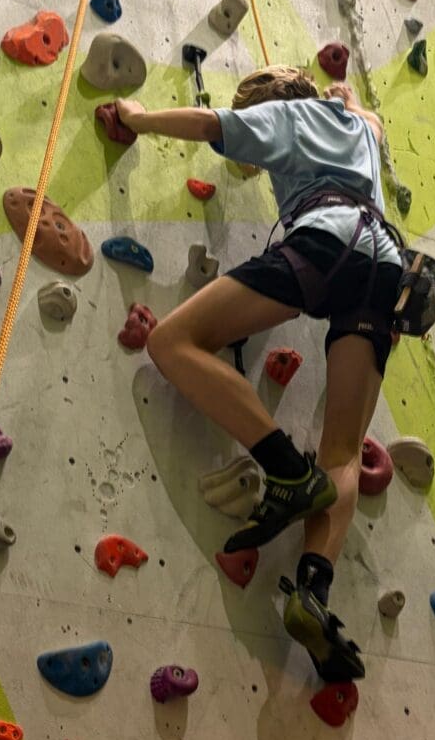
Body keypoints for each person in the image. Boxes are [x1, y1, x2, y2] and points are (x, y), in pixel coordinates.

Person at [113, 65, 404, 683]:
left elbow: (208, 125)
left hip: (326, 242)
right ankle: (312, 591)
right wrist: (348, 99)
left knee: (172, 341)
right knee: (344, 451)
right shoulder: (360, 127)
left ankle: (285, 468)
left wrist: (139, 119)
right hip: (385, 269)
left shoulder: (289, 115)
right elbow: (373, 120)